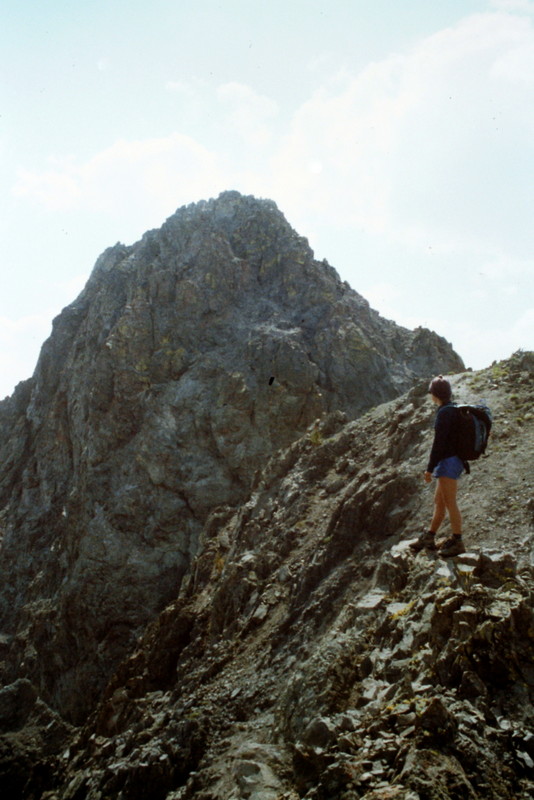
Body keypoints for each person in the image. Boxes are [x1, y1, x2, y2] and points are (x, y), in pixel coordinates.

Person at [410, 375, 466, 557]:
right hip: (454, 461)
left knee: (450, 503)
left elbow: (438, 444)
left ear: (435, 395)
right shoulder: (454, 409)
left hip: (447, 462)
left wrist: (429, 468)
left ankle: (458, 541)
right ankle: (430, 536)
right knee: (439, 503)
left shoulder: (444, 412)